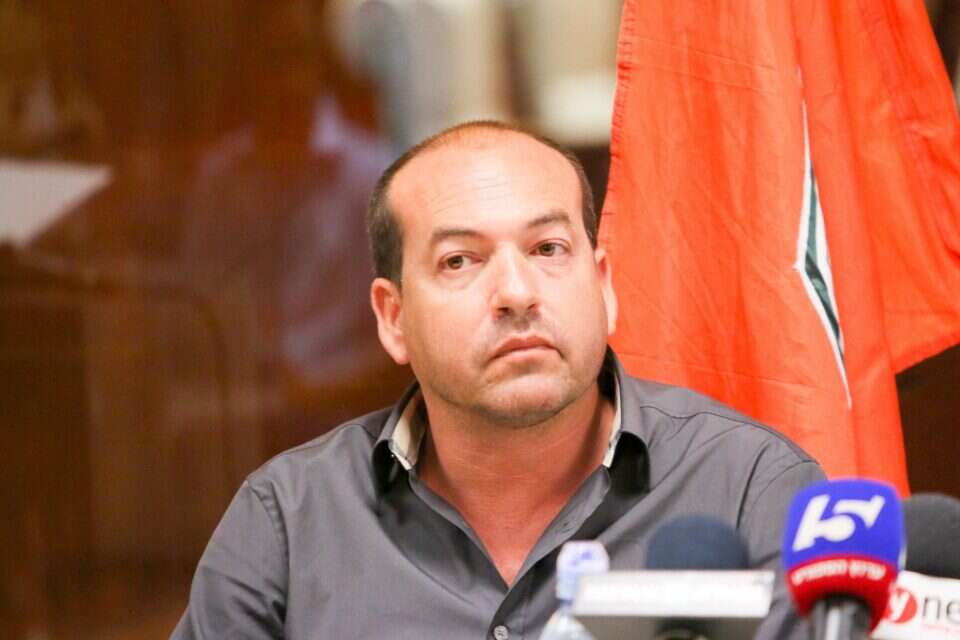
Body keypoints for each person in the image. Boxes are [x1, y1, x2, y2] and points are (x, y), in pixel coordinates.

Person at [172, 121, 825, 639]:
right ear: (393, 318)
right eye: (460, 260)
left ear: (603, 287)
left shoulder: (750, 488)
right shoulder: (289, 522)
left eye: (548, 249)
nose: (516, 292)